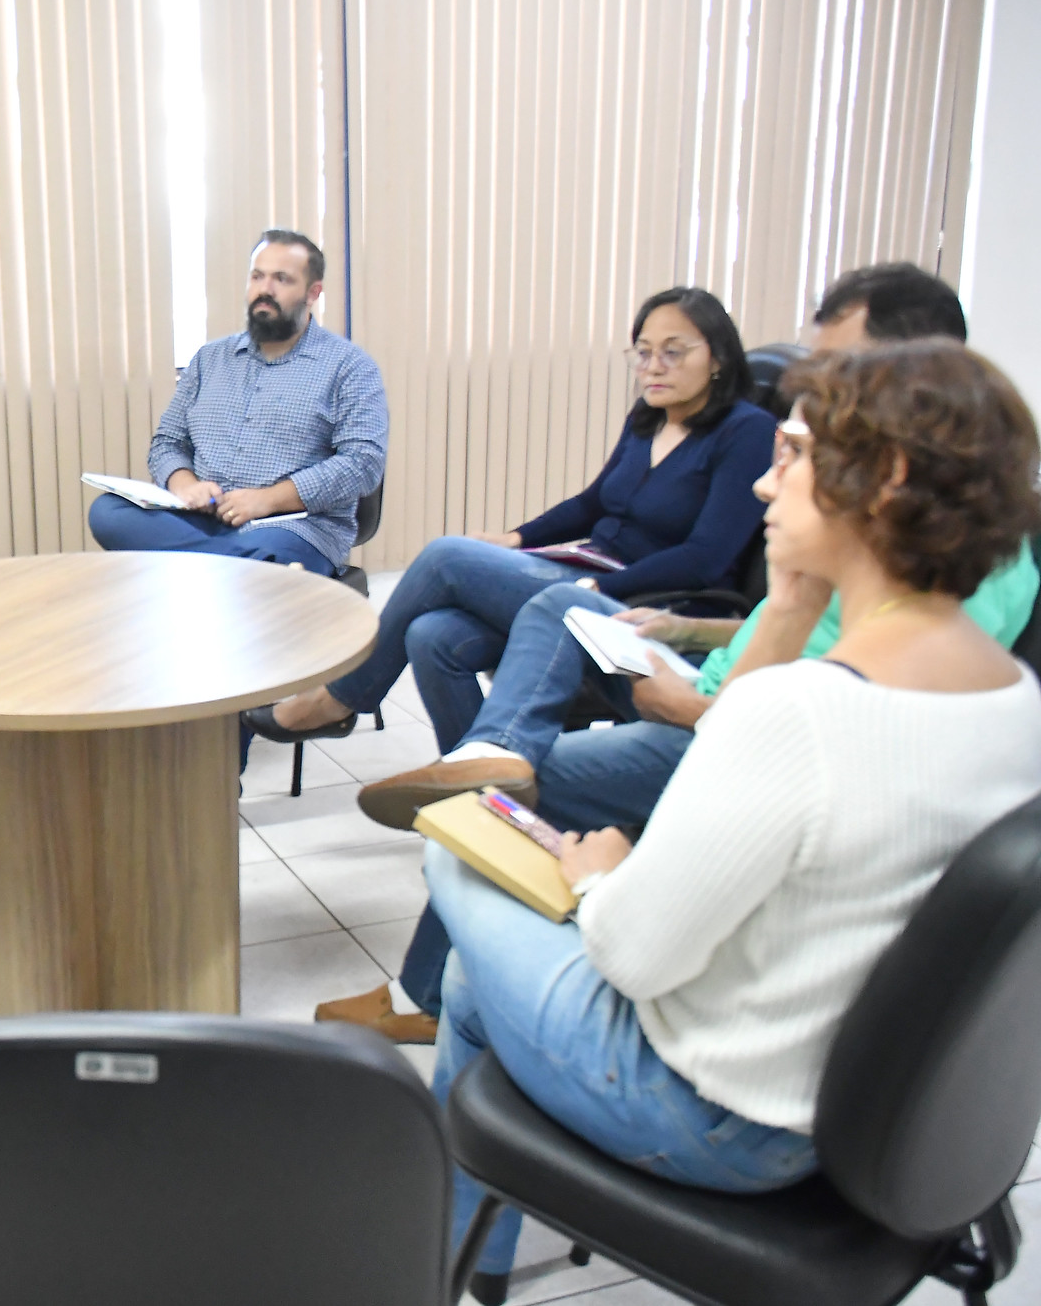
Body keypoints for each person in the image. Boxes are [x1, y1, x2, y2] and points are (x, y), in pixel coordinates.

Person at [432, 339, 1041, 1304]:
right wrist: (789, 607)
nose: (763, 480)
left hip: (723, 1117)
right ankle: (466, 1263)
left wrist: (601, 878)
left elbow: (634, 956)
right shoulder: (1016, 697)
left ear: (881, 480)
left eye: (792, 454)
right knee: (472, 983)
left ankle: (448, 1263)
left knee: (458, 837)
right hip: (864, 1100)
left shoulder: (798, 713)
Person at [318, 263, 1031, 1043]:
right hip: (705, 685)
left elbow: (649, 939)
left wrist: (686, 730)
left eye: (816, 421)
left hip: (705, 750)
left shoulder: (880, 656)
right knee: (456, 635)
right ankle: (489, 762)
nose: (771, 477)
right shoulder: (876, 597)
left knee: (479, 822)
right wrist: (705, 631)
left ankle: (450, 854)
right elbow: (780, 670)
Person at [244, 285, 774, 751]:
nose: (653, 366)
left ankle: (339, 699)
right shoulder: (649, 418)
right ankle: (483, 793)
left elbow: (706, 558)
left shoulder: (746, 431)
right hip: (591, 572)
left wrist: (599, 586)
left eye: (673, 352)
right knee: (432, 636)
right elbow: (591, 505)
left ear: (718, 357)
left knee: (446, 556)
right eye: (643, 352)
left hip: (650, 601)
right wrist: (516, 538)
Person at [87, 229, 388, 576]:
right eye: (257, 276)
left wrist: (266, 500)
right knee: (108, 513)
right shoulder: (209, 359)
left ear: (313, 293)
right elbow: (168, 442)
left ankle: (224, 569)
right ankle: (249, 572)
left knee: (274, 553)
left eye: (282, 279)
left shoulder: (349, 367)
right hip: (196, 519)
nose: (265, 290)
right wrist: (186, 486)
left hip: (289, 528)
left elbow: (363, 463)